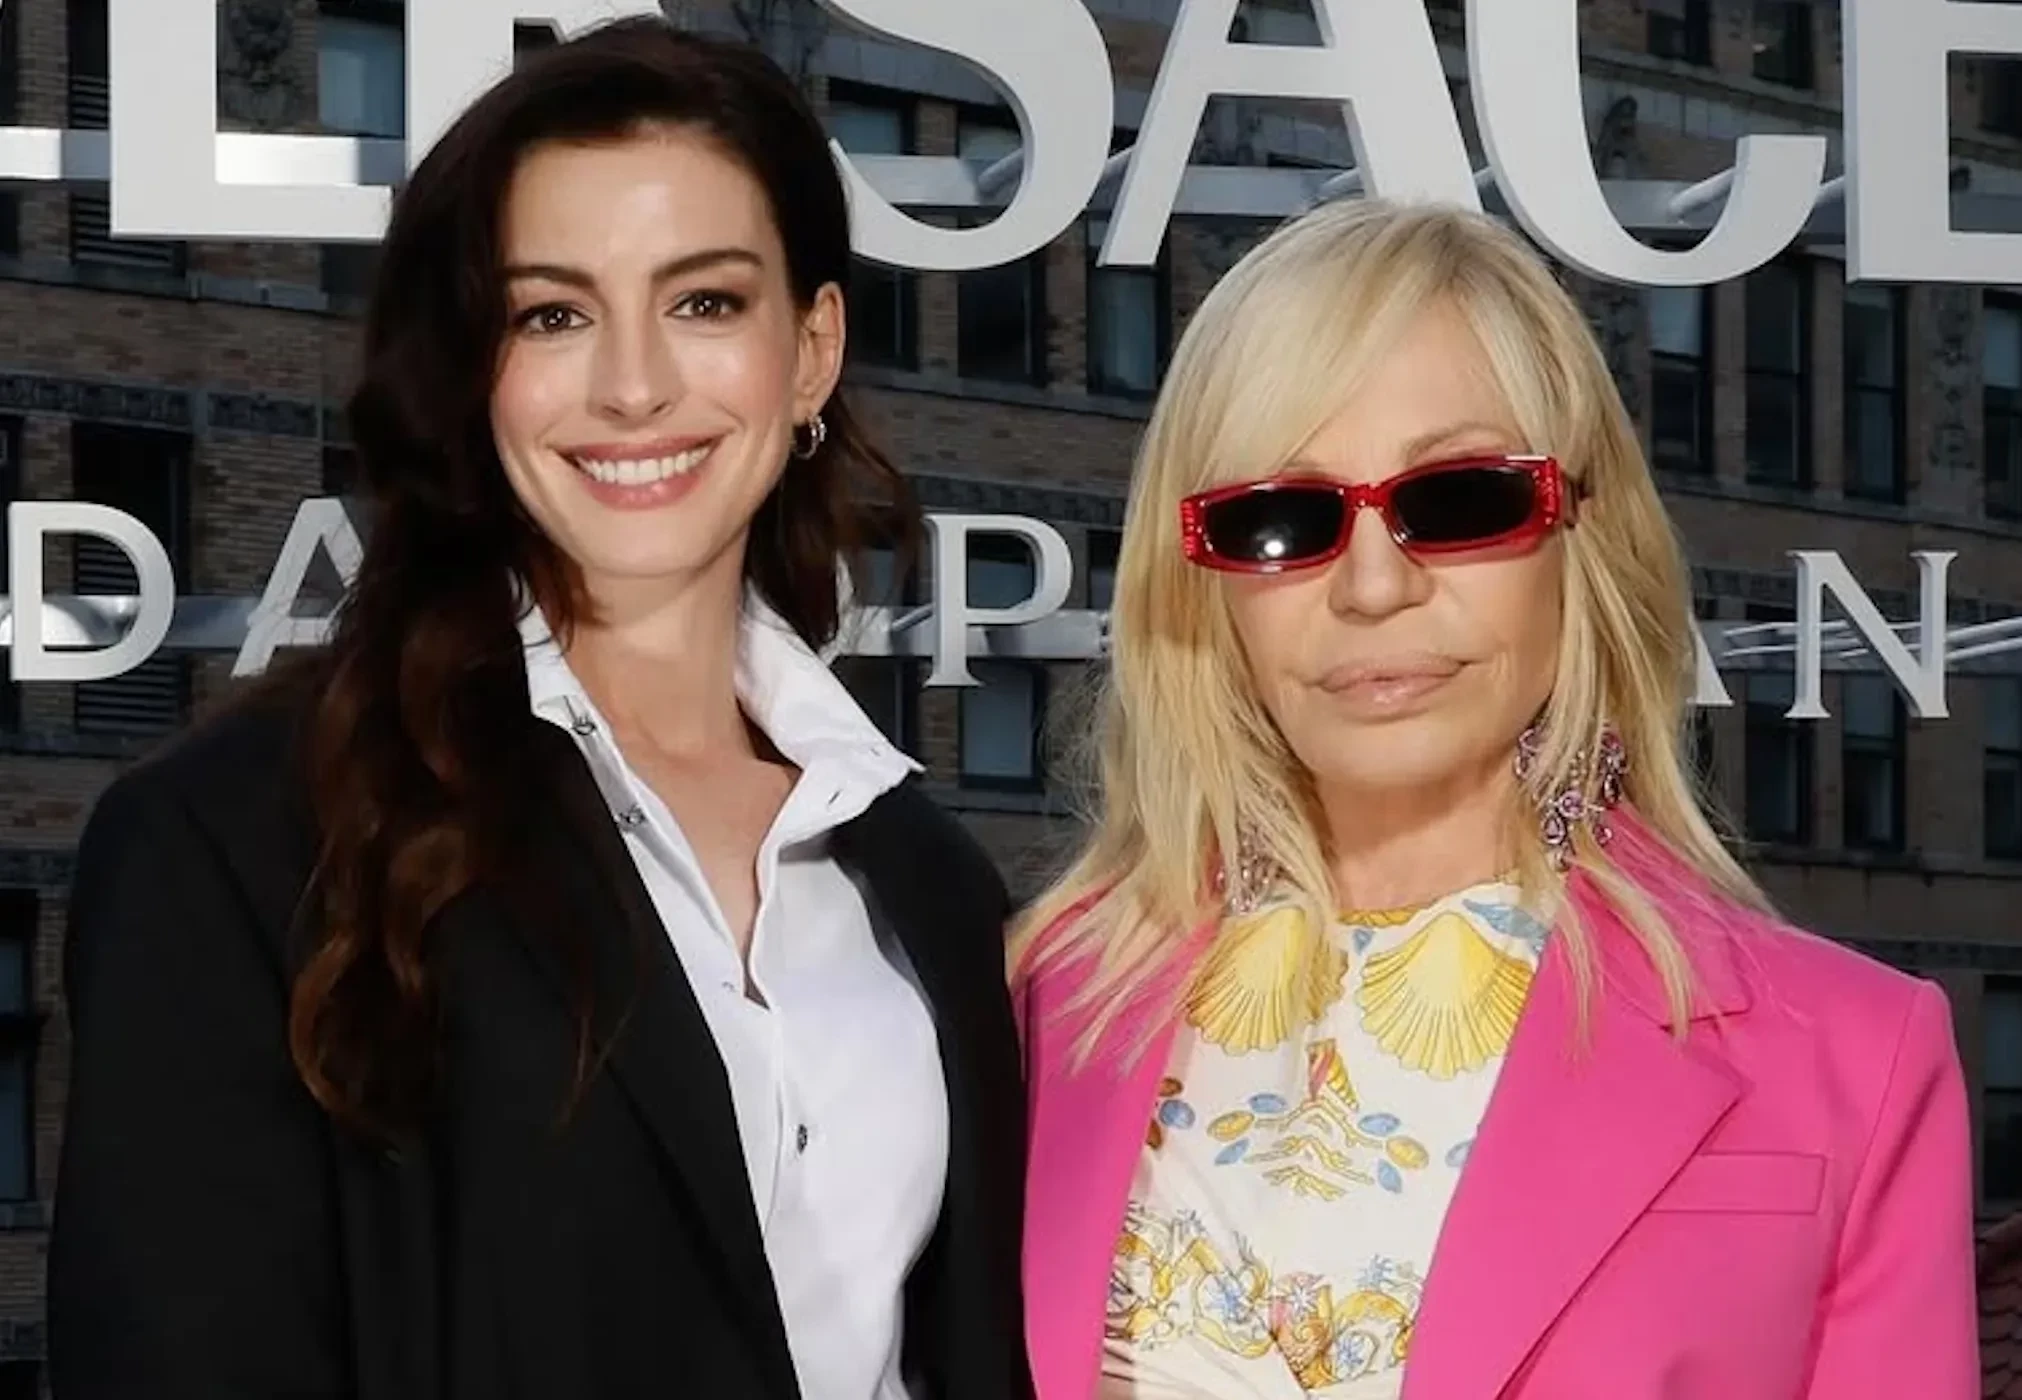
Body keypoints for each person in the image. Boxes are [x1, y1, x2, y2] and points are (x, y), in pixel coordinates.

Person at [49, 19, 1031, 1400]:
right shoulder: (236, 847)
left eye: (705, 303)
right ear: (472, 370)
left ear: (811, 350)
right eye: (552, 314)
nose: (633, 386)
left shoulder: (932, 882)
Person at [1012, 198, 1976, 1399]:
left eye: (1460, 499)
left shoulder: (1852, 1058)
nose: (1373, 586)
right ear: (1201, 584)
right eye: (1283, 519)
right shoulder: (1037, 1002)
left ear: (1583, 536)